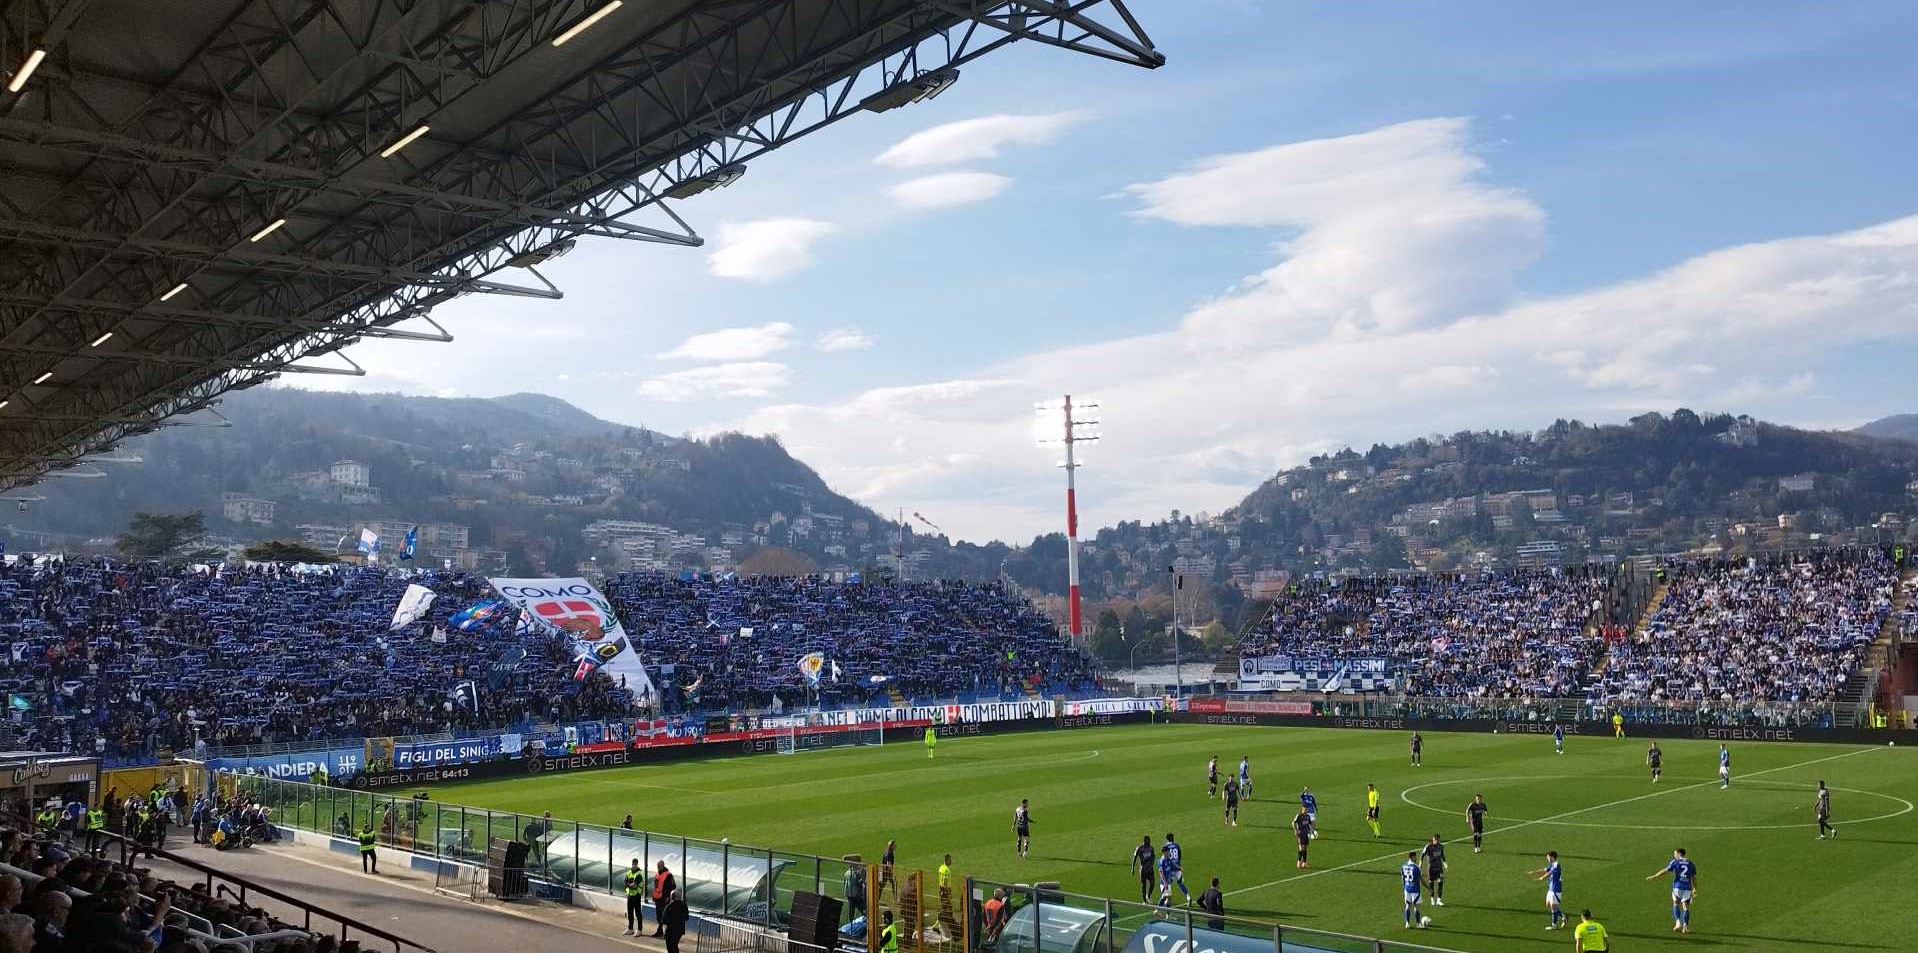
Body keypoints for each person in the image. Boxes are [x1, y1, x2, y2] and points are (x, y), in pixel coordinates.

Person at [1645, 847, 1696, 934]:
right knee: (1685, 907)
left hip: (1677, 887)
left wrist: (1654, 876)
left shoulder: (1675, 862)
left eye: (1675, 854)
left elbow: (1664, 871)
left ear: (1679, 854)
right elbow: (1693, 877)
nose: (1674, 855)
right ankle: (1685, 927)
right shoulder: (1691, 863)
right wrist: (1694, 888)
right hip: (1687, 888)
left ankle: (1678, 922)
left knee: (1676, 903)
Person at [1530, 850, 1564, 930]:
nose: (1547, 858)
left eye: (1548, 857)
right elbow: (1545, 870)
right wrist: (1533, 872)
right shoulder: (1551, 864)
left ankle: (1554, 925)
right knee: (1548, 905)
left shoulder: (1556, 865)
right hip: (1551, 888)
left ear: (1552, 857)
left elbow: (1550, 873)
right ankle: (1563, 916)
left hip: (1556, 889)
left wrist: (1542, 878)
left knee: (1553, 906)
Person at [1159, 833, 1191, 904]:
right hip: (1177, 868)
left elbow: (1165, 858)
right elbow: (1179, 856)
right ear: (1172, 838)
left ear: (1167, 839)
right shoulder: (1177, 845)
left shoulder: (1166, 847)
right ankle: (1188, 895)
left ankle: (1164, 903)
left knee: (1167, 885)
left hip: (1170, 870)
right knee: (1180, 883)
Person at [650, 861, 676, 936]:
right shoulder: (657, 874)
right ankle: (660, 930)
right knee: (659, 916)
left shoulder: (668, 875)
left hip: (664, 899)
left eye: (659, 866)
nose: (658, 867)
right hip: (657, 898)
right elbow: (656, 886)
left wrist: (667, 896)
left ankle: (666, 931)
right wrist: (654, 896)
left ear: (663, 866)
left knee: (665, 916)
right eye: (657, 866)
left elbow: (673, 886)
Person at [623, 858, 647, 936]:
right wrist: (630, 886)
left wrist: (629, 885)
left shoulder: (639, 874)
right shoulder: (629, 872)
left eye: (635, 864)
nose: (634, 865)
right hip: (630, 895)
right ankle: (630, 929)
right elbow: (626, 884)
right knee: (630, 913)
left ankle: (639, 930)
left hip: (636, 895)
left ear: (637, 864)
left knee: (638, 913)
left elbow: (634, 885)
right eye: (633, 863)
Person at [1421, 835, 1446, 907]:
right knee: (1431, 883)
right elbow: (1422, 855)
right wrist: (1420, 863)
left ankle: (1439, 900)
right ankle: (1432, 898)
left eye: (1438, 840)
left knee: (1440, 882)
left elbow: (1442, 856)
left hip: (1439, 868)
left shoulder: (1441, 846)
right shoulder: (1428, 847)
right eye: (1436, 840)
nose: (1438, 841)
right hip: (1431, 868)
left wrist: (1445, 863)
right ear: (1433, 840)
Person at [1400, 852, 1423, 929]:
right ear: (1412, 857)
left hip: (1407, 889)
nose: (1416, 858)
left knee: (1407, 906)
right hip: (1415, 889)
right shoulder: (1416, 867)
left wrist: (1405, 887)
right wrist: (1429, 889)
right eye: (1415, 857)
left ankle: (1407, 923)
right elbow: (1421, 880)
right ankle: (1418, 924)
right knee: (1416, 906)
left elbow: (1403, 878)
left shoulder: (1403, 866)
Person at [663, 887, 689, 953]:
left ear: (672, 897)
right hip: (679, 930)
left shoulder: (669, 907)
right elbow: (686, 917)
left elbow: (664, 920)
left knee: (670, 946)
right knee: (674, 945)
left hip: (670, 930)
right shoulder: (684, 905)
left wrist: (664, 932)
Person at [1131, 836, 1156, 902]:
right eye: (1148, 842)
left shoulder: (1151, 848)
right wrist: (1132, 868)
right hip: (1143, 869)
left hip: (1150, 869)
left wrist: (1152, 863)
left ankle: (1148, 896)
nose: (1149, 843)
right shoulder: (1139, 848)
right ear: (1145, 841)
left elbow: (1153, 856)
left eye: (1150, 842)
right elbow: (1135, 857)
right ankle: (1144, 900)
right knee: (1143, 885)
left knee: (1153, 883)